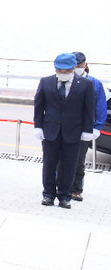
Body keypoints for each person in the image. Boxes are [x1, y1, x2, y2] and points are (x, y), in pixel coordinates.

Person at [34, 53, 97, 209]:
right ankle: (48, 194)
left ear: (74, 68)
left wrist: (87, 130)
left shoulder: (85, 84)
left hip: (73, 131)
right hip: (51, 130)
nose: (62, 73)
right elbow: (39, 106)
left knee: (69, 165)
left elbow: (89, 109)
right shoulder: (46, 82)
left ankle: (64, 196)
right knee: (49, 164)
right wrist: (38, 126)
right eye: (59, 70)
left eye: (66, 71)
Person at [67, 52, 106, 201]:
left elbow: (100, 107)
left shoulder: (94, 83)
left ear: (85, 64)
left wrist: (96, 127)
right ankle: (61, 185)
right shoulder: (65, 79)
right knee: (60, 158)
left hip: (84, 127)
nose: (76, 67)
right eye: (73, 64)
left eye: (79, 64)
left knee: (79, 160)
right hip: (65, 126)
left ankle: (77, 189)